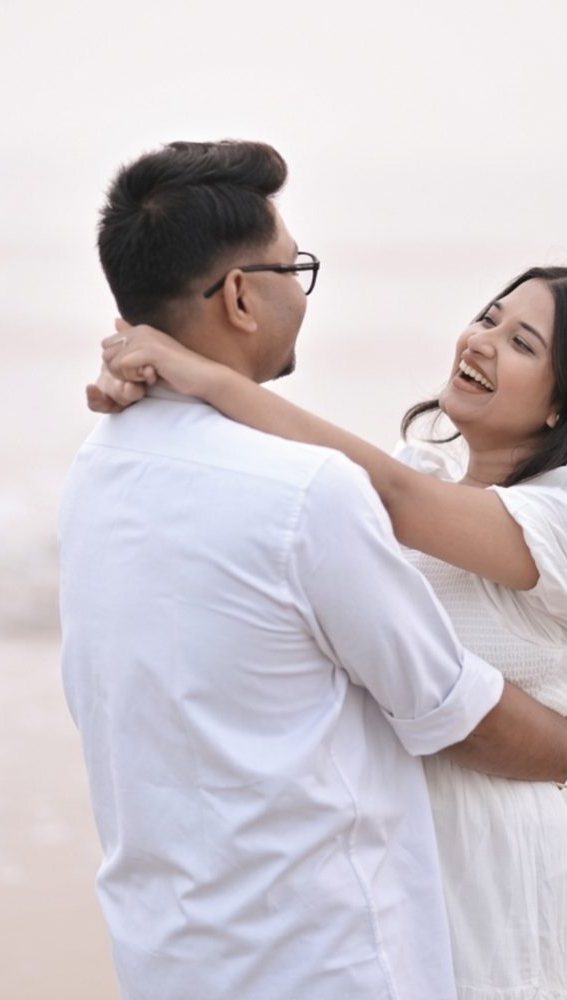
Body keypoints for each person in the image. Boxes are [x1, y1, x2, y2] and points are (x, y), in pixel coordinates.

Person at [60, 139, 567, 1000]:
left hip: (498, 854)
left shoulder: (541, 511)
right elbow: (338, 490)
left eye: (521, 342)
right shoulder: (405, 471)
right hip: (402, 861)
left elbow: (377, 497)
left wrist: (199, 378)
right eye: (488, 316)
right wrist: (170, 396)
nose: (481, 340)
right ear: (240, 297)